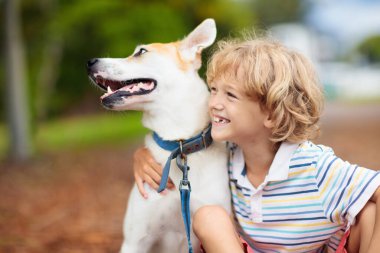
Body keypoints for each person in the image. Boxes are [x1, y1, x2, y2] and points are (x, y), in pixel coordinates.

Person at [132, 36, 380, 253]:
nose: (214, 102)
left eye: (230, 95)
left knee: (368, 213)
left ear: (272, 114)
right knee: (208, 217)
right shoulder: (224, 154)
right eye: (214, 89)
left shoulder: (315, 167)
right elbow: (180, 147)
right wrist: (144, 154)